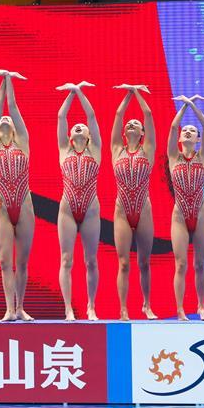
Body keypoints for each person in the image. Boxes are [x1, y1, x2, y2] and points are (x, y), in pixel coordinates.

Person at [0, 70, 34, 322]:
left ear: (15, 128)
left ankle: (20, 307)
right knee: (5, 262)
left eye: (9, 119)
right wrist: (2, 81)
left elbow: (11, 107)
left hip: (24, 205)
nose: (5, 117)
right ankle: (9, 309)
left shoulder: (22, 142)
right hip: (2, 207)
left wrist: (9, 78)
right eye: (1, 119)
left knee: (22, 262)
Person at [111, 85, 158, 320]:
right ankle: (123, 309)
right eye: (128, 124)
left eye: (135, 124)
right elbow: (118, 115)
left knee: (144, 262)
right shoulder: (116, 149)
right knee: (123, 263)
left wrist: (136, 92)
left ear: (142, 133)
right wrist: (127, 94)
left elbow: (148, 114)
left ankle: (147, 305)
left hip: (143, 211)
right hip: (122, 211)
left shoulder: (147, 149)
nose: (131, 124)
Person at [56, 82, 101, 321]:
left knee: (91, 260)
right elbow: (61, 116)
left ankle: (91, 306)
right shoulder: (64, 149)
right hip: (67, 210)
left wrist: (79, 92)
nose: (79, 126)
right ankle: (68, 309)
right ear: (70, 137)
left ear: (89, 135)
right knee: (66, 259)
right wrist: (71, 92)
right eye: (75, 127)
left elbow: (91, 116)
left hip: (91, 209)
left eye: (83, 127)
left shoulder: (96, 150)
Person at [167, 94, 204, 321]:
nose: (187, 131)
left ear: (197, 139)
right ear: (179, 138)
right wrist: (184, 106)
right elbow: (173, 126)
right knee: (181, 264)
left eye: (192, 131)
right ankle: (180, 310)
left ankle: (201, 307)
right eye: (185, 130)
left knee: (199, 264)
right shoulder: (173, 156)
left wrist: (192, 104)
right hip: (179, 217)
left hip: (200, 215)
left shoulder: (202, 156)